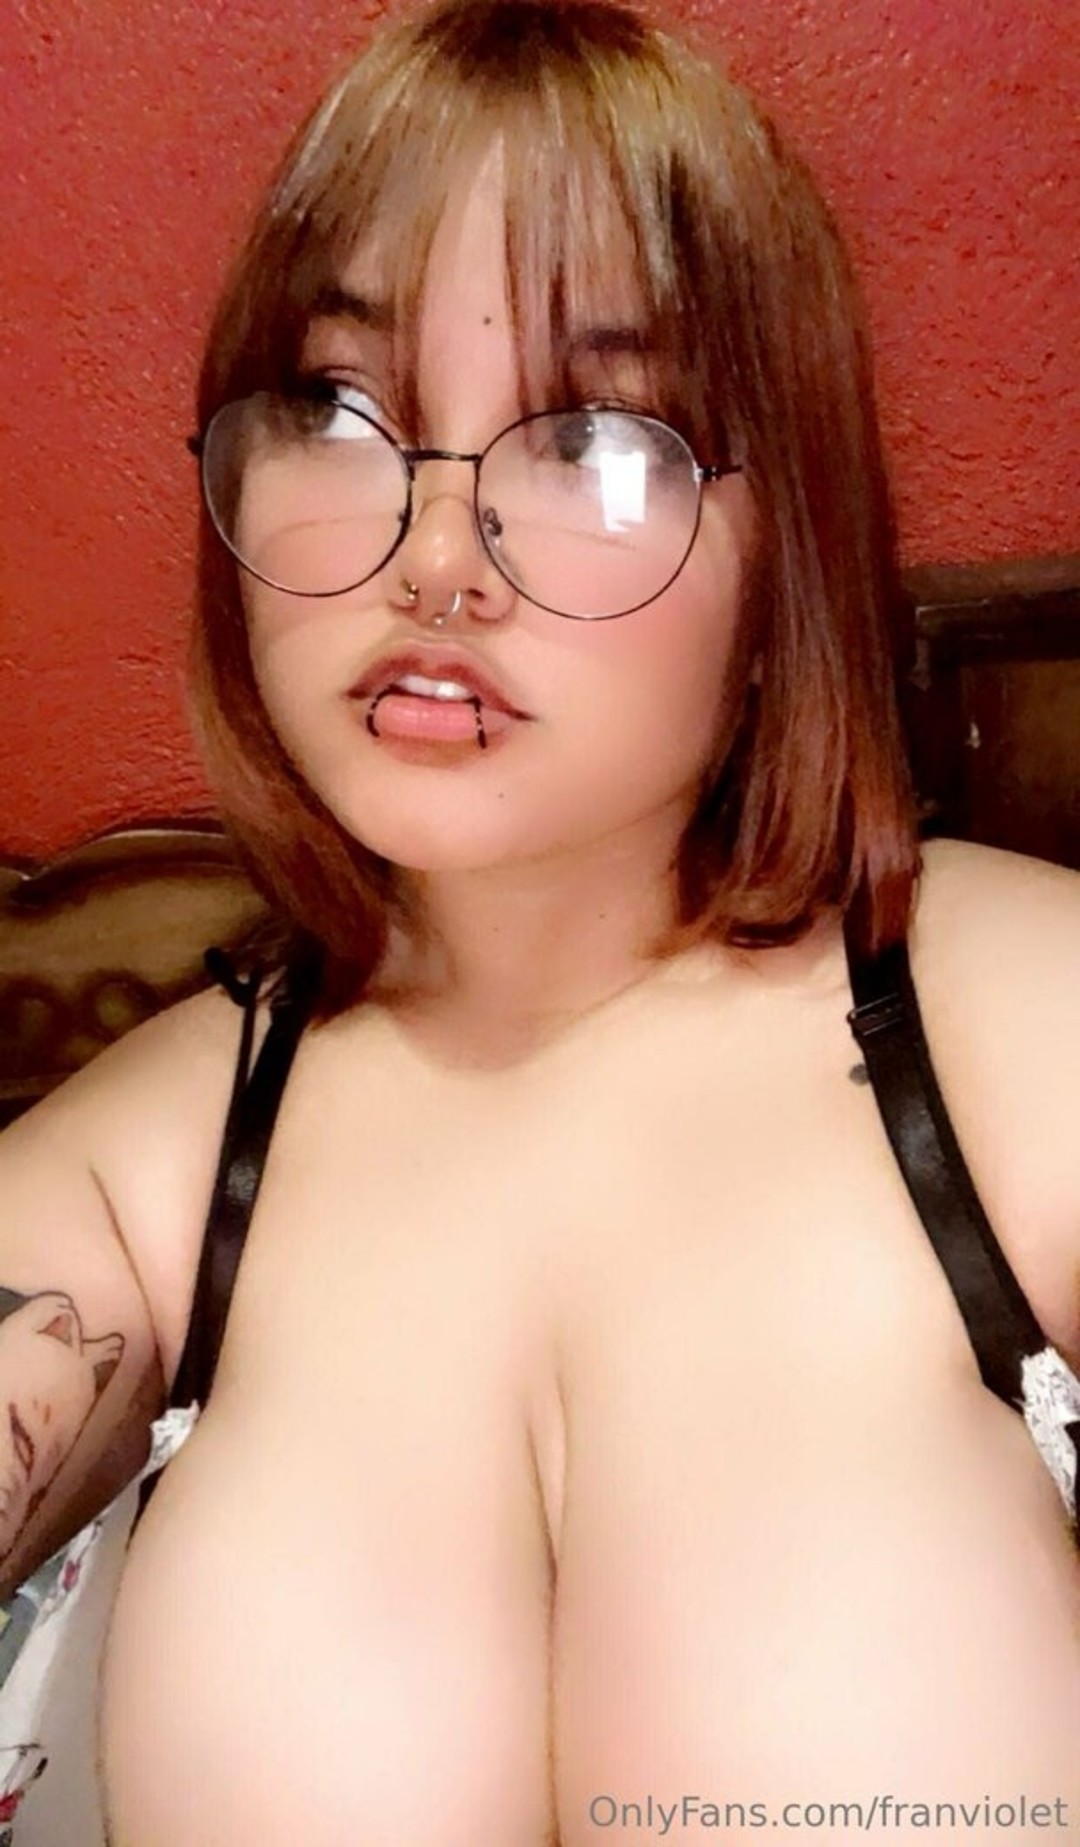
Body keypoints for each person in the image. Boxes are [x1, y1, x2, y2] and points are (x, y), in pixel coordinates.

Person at [2, 1, 1079, 1841]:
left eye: (594, 437)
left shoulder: (1019, 1034)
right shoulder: (157, 1163)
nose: (434, 558)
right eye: (342, 409)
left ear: (787, 547)